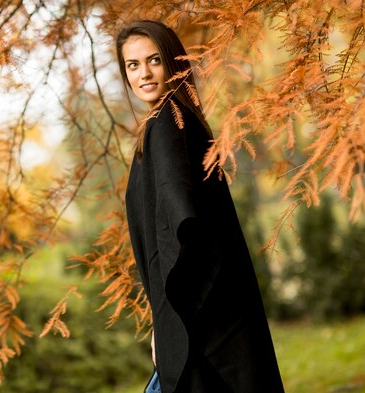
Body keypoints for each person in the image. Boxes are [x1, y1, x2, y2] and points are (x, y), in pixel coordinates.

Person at [116, 20, 285, 393]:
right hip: (214, 319)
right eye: (132, 65)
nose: (143, 73)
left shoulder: (166, 125)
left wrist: (169, 324)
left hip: (200, 328)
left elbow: (182, 229)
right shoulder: (182, 122)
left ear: (174, 63)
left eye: (154, 60)